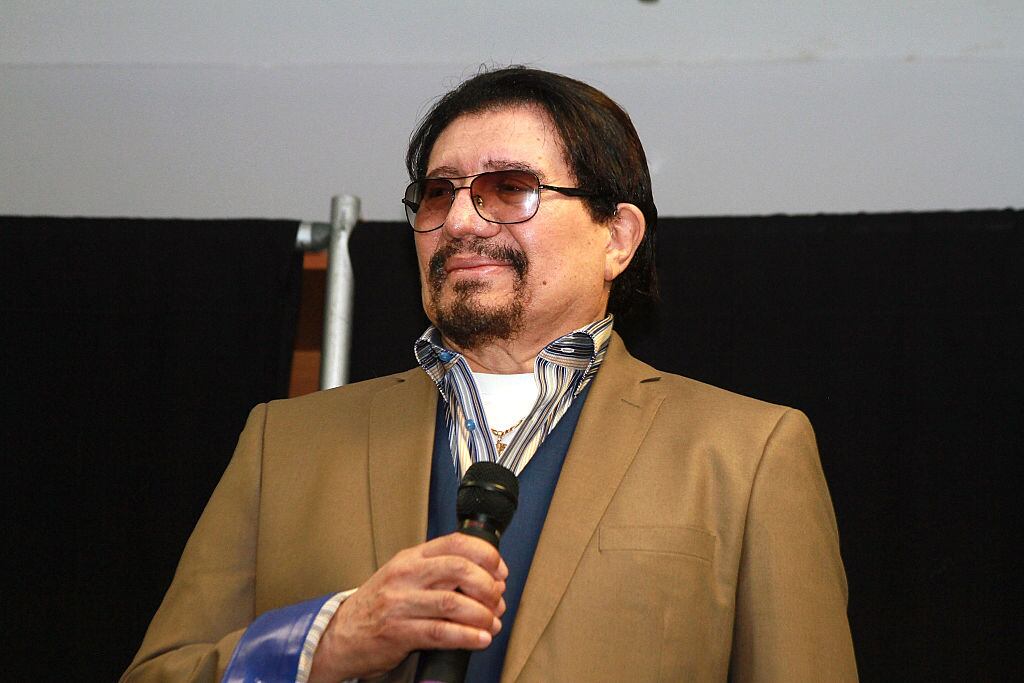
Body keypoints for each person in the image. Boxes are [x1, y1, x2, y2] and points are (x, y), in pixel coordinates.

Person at [123, 66, 857, 682]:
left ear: (618, 236)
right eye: (438, 194)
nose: (463, 221)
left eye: (509, 187)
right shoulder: (282, 442)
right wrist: (325, 641)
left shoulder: (749, 452)